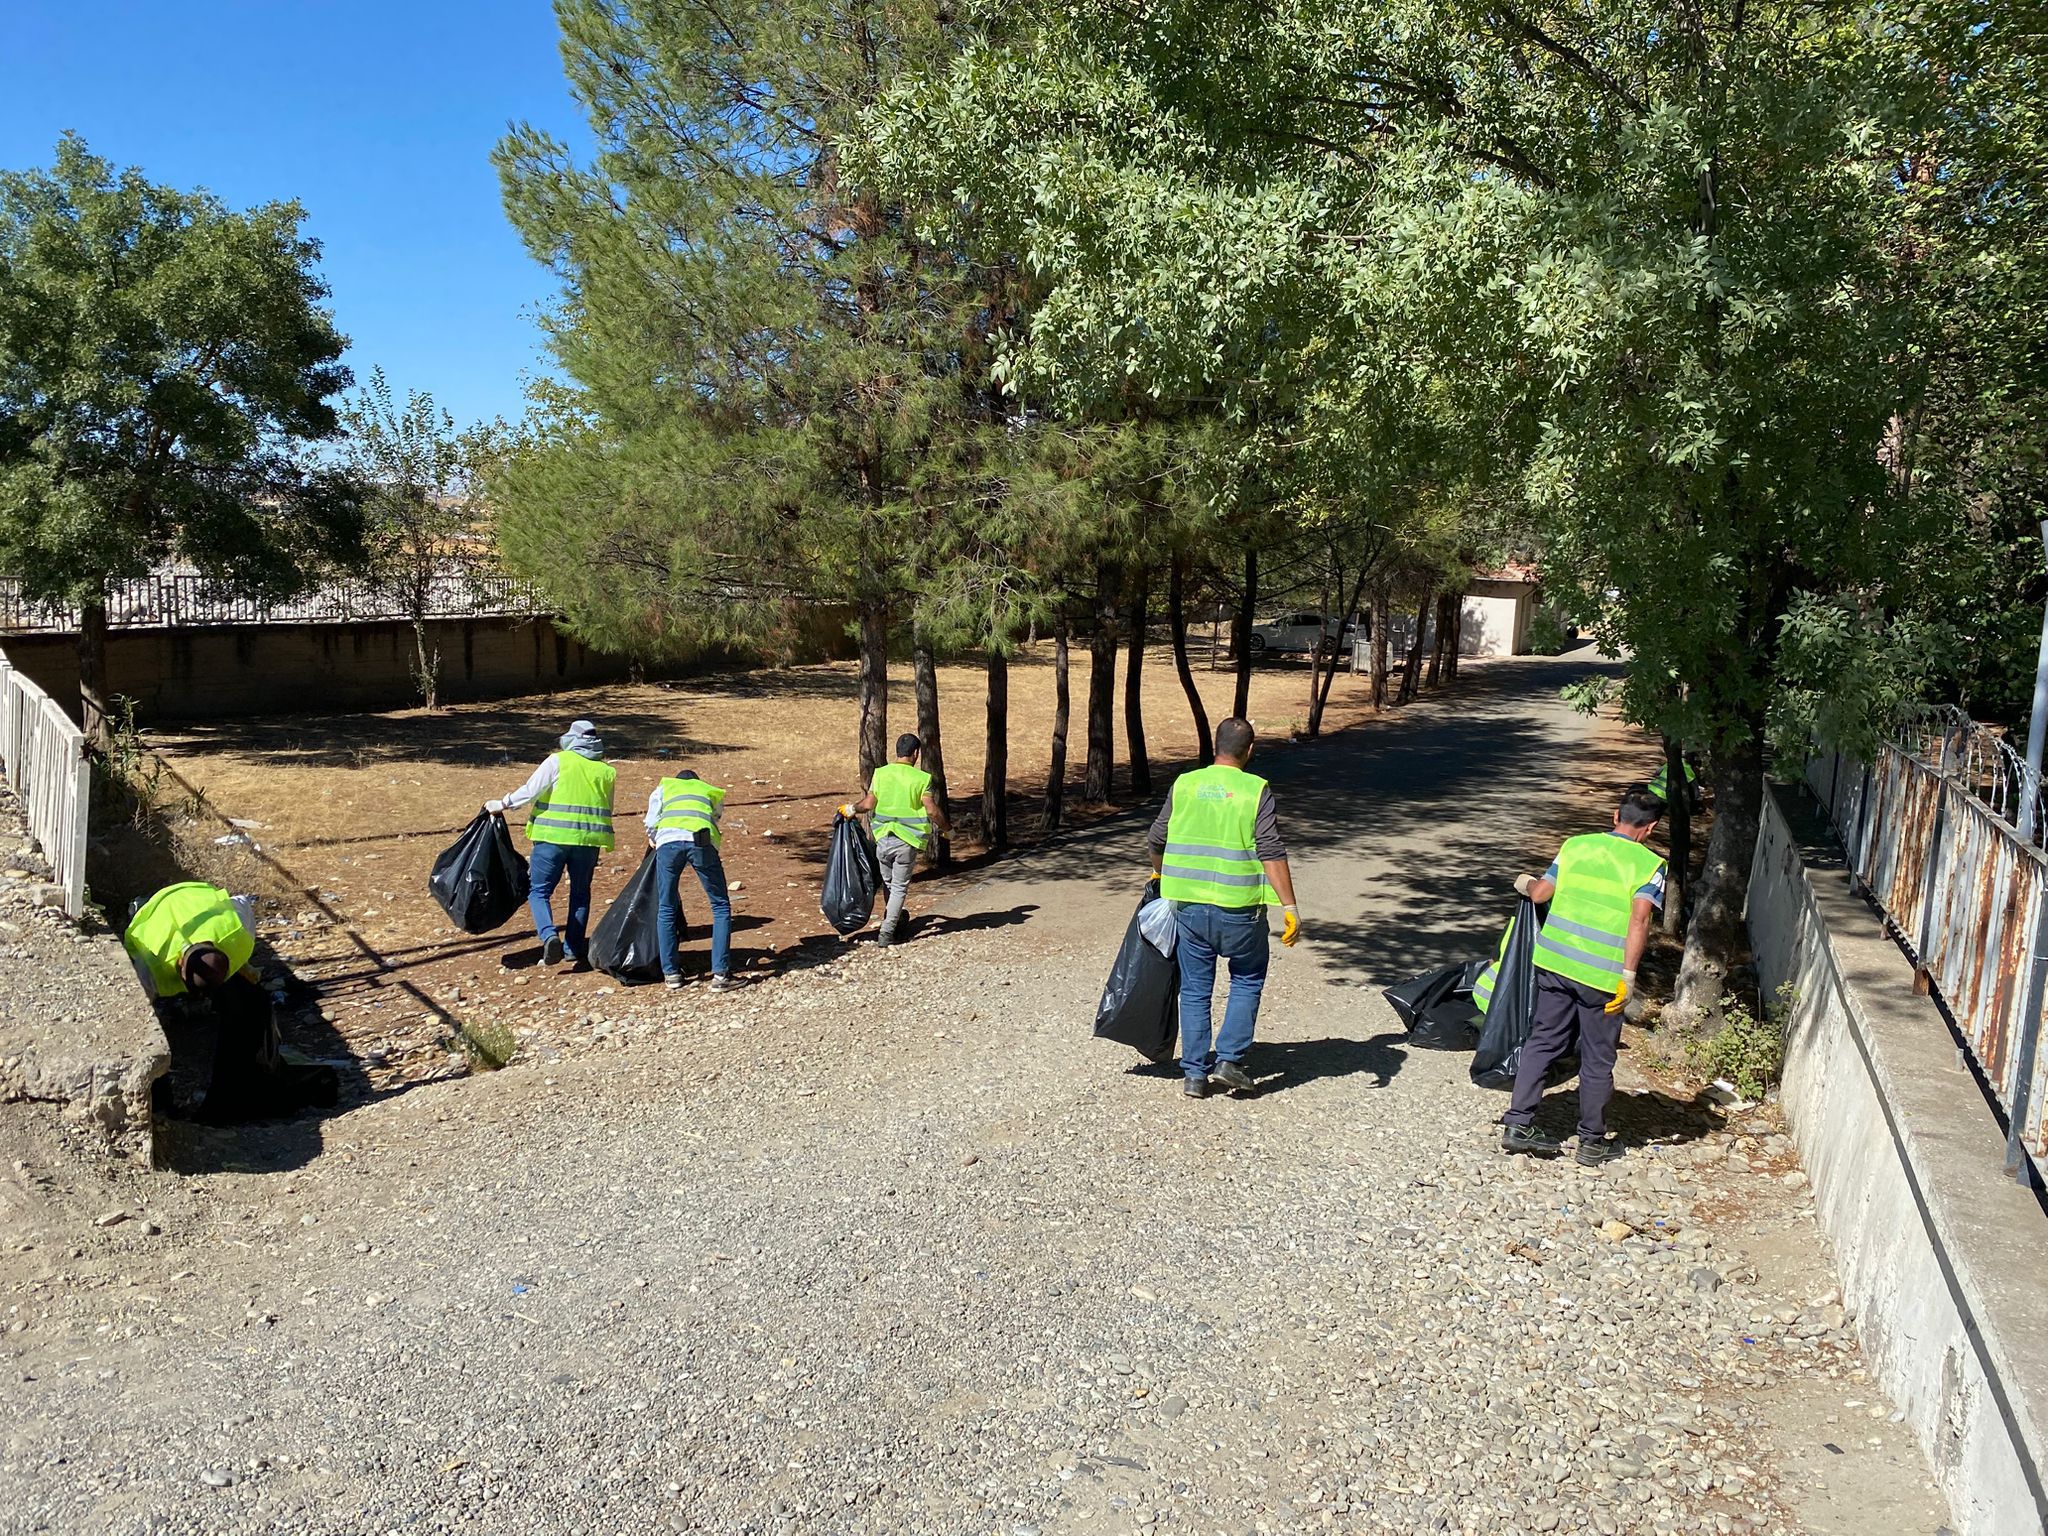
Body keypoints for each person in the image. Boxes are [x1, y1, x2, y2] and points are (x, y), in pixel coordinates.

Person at [1499, 786, 1668, 1165]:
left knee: (1543, 1041)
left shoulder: (1575, 845)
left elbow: (1541, 894)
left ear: (1615, 815)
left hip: (1555, 964)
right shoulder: (1650, 865)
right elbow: (1640, 918)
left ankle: (1518, 1124)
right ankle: (1591, 1141)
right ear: (1651, 828)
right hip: (1603, 977)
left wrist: (1523, 882)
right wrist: (1629, 975)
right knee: (1597, 1058)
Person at [1148, 716, 1301, 1099]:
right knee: (1247, 978)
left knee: (1196, 989)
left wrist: (1160, 875)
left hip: (1190, 907)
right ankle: (1229, 1061)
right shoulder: (1255, 789)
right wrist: (1290, 906)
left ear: (1215, 746)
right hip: (1240, 909)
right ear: (1250, 751)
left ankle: (1195, 1075)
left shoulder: (1185, 783)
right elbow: (1270, 849)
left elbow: (1156, 837)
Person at [123, 881, 333, 1121]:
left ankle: (242, 1087)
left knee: (247, 1003)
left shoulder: (237, 929)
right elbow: (140, 1014)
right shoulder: (149, 960)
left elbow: (241, 903)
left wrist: (241, 972)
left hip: (197, 898)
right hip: (159, 907)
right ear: (179, 967)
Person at [487, 719, 616, 968]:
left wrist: (502, 804)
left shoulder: (558, 760)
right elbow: (606, 808)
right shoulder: (606, 771)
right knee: (580, 894)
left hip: (551, 840)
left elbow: (530, 791)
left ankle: (548, 936)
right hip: (588, 843)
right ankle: (573, 948)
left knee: (539, 891)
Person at [849, 733, 950, 945]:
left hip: (883, 837)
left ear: (898, 752)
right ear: (916, 753)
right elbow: (931, 811)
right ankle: (886, 932)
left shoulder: (881, 774)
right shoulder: (921, 779)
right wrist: (947, 829)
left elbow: (867, 804)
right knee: (899, 887)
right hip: (906, 841)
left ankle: (893, 920)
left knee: (888, 883)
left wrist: (851, 808)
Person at [647, 766, 740, 992]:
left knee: (666, 907)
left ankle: (671, 975)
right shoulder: (708, 790)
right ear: (697, 780)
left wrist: (654, 840)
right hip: (700, 841)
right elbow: (715, 816)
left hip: (668, 844)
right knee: (719, 905)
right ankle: (720, 975)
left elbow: (651, 822)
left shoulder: (663, 787)